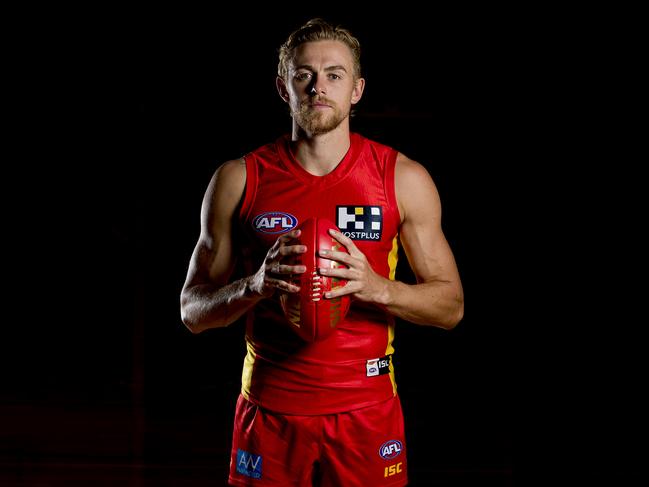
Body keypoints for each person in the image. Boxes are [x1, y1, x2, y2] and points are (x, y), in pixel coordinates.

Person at [180, 18, 464, 487]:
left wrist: (378, 288)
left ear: (357, 89)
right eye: (303, 75)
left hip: (366, 410)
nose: (319, 87)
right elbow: (192, 311)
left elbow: (451, 308)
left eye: (334, 74)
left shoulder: (401, 178)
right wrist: (254, 286)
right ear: (283, 87)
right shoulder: (240, 179)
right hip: (270, 410)